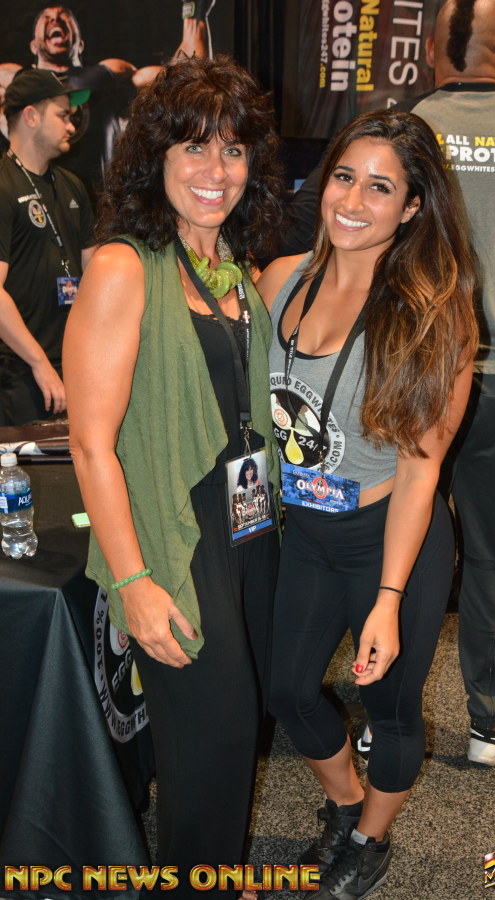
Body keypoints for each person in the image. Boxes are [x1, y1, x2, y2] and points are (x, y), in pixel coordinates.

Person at [282, 0, 495, 768]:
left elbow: (304, 233)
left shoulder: (403, 129)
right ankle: (489, 723)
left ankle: (380, 705)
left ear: (433, 47)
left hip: (394, 373)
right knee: (493, 560)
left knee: (391, 530)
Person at [63, 55, 284, 899]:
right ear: (155, 155)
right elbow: (92, 445)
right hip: (177, 539)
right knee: (211, 744)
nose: (215, 170)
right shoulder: (124, 266)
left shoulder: (233, 266)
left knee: (235, 734)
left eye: (233, 149)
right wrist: (133, 581)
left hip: (248, 530)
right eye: (194, 146)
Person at [258, 108, 478, 900]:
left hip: (392, 540)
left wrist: (387, 600)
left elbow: (422, 469)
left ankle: (368, 842)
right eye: (345, 177)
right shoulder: (281, 281)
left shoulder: (434, 314)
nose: (352, 200)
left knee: (390, 708)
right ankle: (348, 804)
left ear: (413, 207)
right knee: (287, 691)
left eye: (380, 188)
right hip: (307, 534)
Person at [0, 5, 208, 197]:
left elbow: (184, 79)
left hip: (100, 202)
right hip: (35, 199)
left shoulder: (108, 74)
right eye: (47, 18)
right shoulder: (15, 82)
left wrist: (193, 15)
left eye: (64, 17)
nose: (55, 20)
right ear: (33, 46)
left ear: (80, 43)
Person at [0, 68, 94, 425]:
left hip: (75, 366)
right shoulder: (3, 186)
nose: (71, 126)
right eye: (62, 115)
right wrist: (39, 363)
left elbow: (94, 273)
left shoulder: (73, 186)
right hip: (21, 371)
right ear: (31, 116)